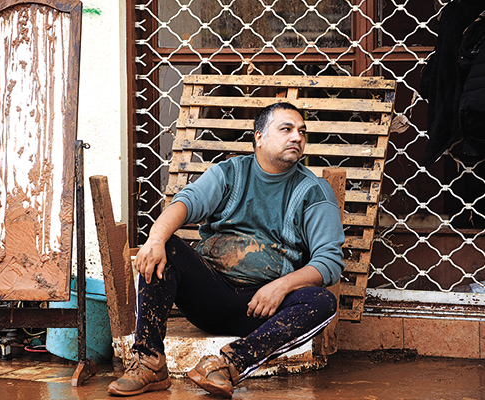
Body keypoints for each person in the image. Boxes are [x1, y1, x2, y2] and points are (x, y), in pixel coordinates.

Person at [107, 102, 345, 398]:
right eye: (286, 129)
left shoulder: (313, 191)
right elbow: (186, 203)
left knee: (322, 302)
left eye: (301, 131)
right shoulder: (230, 173)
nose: (297, 137)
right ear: (259, 137)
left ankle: (226, 366)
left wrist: (281, 287)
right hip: (210, 295)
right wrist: (155, 239)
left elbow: (329, 262)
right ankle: (149, 362)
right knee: (165, 248)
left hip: (264, 309)